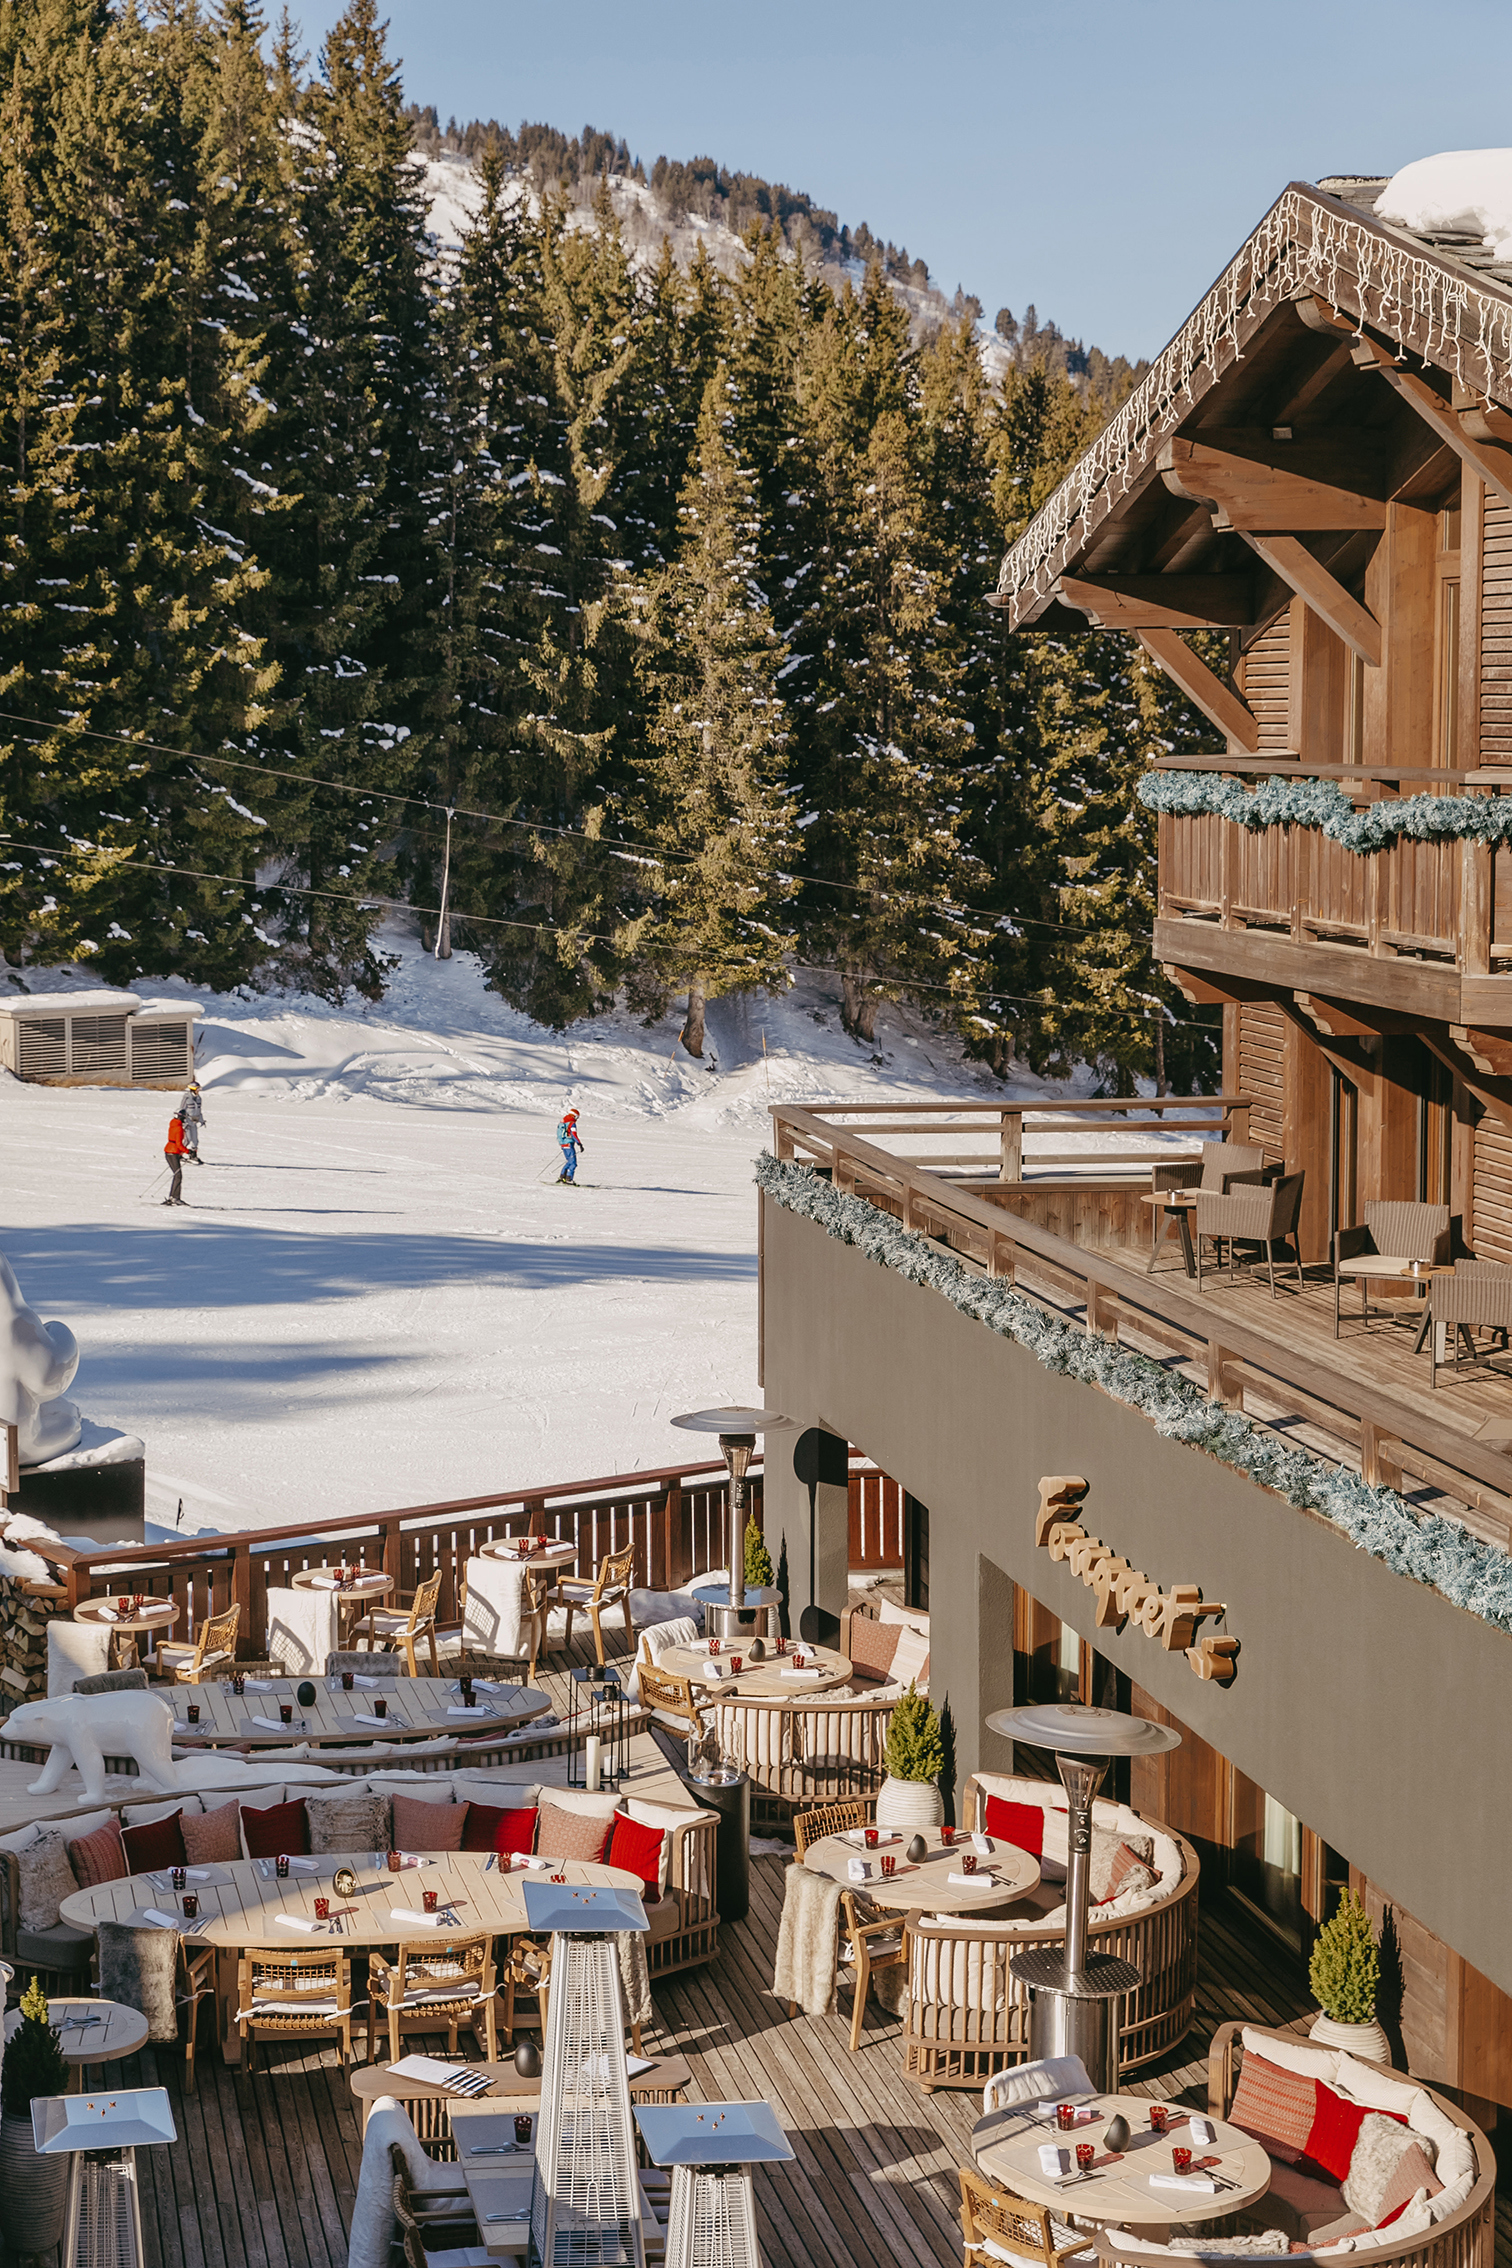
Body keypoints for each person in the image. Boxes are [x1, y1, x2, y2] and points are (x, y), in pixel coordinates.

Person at [163, 1110, 191, 1206]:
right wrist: (188, 1151)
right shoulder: (179, 1128)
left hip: (169, 1151)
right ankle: (175, 1198)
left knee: (176, 1175)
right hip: (173, 1152)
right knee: (178, 1175)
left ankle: (173, 1197)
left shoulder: (173, 1124)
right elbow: (179, 1144)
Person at [179, 1078, 205, 1162]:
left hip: (194, 1122)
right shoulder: (187, 1097)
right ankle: (179, 1154)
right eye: (198, 1089)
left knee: (195, 1140)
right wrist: (182, 1121)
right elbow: (182, 1110)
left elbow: (199, 1110)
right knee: (188, 1139)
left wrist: (201, 1120)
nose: (199, 1090)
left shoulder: (199, 1098)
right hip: (187, 1122)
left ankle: (193, 1155)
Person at [557, 1107, 584, 1185]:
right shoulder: (572, 1123)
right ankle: (568, 1178)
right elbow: (573, 1134)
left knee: (569, 1161)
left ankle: (562, 1177)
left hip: (563, 1144)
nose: (577, 1119)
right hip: (569, 1144)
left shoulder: (563, 1121)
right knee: (573, 1163)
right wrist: (579, 1143)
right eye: (577, 1117)